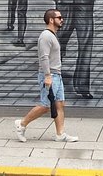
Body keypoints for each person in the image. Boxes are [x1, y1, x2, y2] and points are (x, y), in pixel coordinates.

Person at [13, 9, 78, 143]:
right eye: (59, 17)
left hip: (56, 76)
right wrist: (47, 76)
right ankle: (22, 124)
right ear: (51, 20)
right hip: (50, 76)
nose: (62, 19)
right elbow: (44, 58)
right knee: (46, 105)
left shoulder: (52, 35)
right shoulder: (46, 36)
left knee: (59, 104)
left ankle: (60, 134)